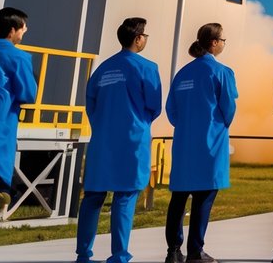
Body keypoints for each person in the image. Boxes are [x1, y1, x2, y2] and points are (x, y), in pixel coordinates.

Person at [76, 17, 163, 263]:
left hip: (102, 141)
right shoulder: (147, 68)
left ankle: (83, 254)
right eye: (145, 35)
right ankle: (119, 255)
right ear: (138, 38)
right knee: (125, 197)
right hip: (132, 141)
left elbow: (91, 103)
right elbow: (154, 105)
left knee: (93, 196)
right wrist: (138, 121)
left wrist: (103, 124)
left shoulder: (103, 68)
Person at [165, 23, 238, 263]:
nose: (224, 44)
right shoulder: (221, 72)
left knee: (179, 196)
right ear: (214, 43)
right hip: (210, 142)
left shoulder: (183, 73)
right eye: (223, 40)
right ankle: (196, 251)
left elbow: (171, 111)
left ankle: (173, 251)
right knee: (204, 196)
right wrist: (215, 125)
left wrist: (188, 125)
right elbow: (229, 109)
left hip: (184, 143)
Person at [0, 8, 36, 212]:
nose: (25, 30)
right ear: (12, 30)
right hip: (3, 127)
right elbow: (28, 93)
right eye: (23, 27)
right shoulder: (18, 57)